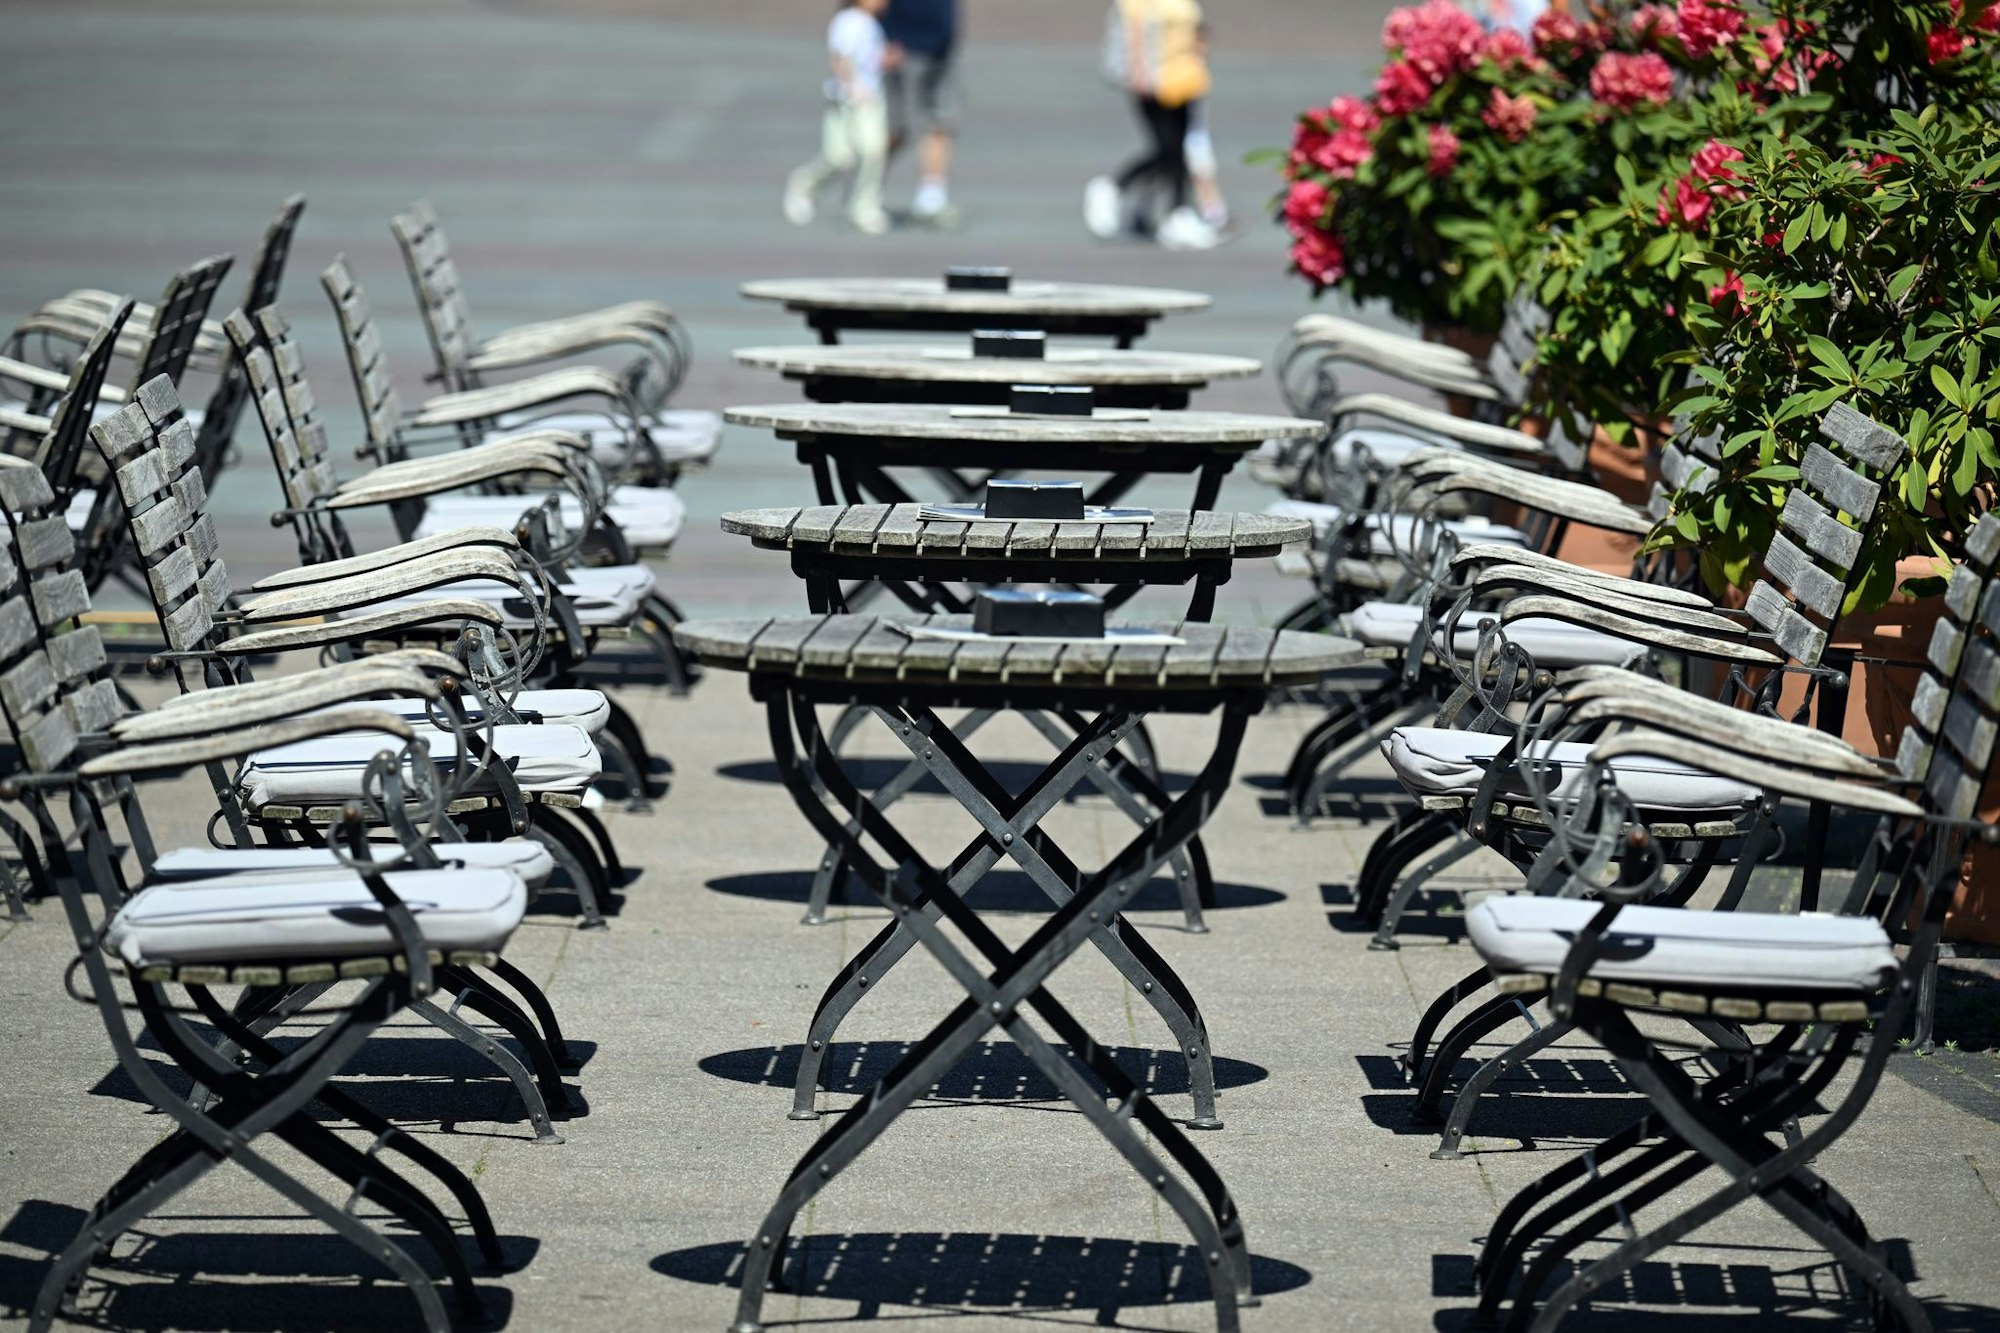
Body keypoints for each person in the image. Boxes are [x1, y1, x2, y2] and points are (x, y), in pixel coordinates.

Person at [1086, 0, 1217, 250]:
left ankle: (1177, 214)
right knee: (1166, 149)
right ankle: (1113, 187)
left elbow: (1195, 29)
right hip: (1156, 80)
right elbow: (1134, 33)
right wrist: (1140, 76)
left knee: (1180, 151)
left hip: (1186, 79)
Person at [784, 0, 892, 236]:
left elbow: (870, 60)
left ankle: (865, 208)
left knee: (873, 151)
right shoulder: (849, 20)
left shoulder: (873, 23)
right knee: (838, 157)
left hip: (871, 98)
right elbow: (839, 56)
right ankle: (805, 183)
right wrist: (852, 85)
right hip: (848, 98)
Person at [881, 0, 960, 227]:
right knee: (898, 128)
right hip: (903, 44)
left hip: (942, 46)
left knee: (941, 121)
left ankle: (931, 197)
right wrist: (884, 36)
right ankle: (868, 187)